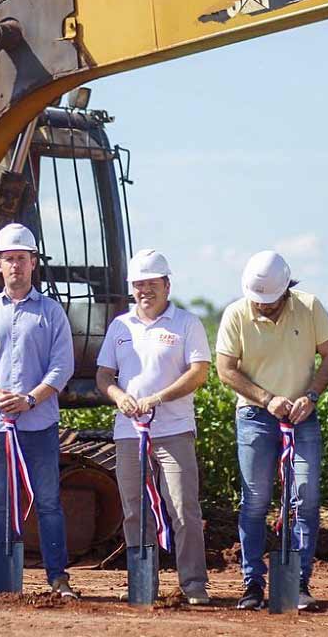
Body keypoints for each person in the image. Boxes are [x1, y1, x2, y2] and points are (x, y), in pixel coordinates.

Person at [0, 223, 79, 600]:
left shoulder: (52, 313)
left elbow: (62, 367)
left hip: (39, 424)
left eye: (22, 259)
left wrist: (29, 399)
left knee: (47, 502)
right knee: (1, 504)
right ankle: (0, 576)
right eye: (9, 259)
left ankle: (58, 579)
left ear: (33, 264)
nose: (16, 266)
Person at [216, 250, 328, 611]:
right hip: (255, 418)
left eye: (270, 302)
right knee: (254, 500)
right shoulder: (236, 314)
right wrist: (267, 399)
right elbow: (226, 369)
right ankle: (252, 583)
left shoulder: (310, 306)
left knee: (306, 496)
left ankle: (298, 583)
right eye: (258, 301)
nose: (263, 307)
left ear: (287, 289)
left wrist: (311, 396)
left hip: (303, 418)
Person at [96, 249, 213, 605]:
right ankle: (142, 584)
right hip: (129, 433)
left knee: (183, 508)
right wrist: (118, 396)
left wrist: (158, 398)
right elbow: (104, 375)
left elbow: (199, 373)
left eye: (152, 283)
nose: (145, 290)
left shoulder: (186, 324)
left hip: (174, 429)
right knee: (134, 509)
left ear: (167, 284)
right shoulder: (120, 326)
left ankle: (193, 586)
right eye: (139, 284)